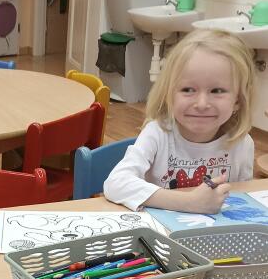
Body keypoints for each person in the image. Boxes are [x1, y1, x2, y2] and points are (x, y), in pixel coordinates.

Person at [103, 29, 255, 212]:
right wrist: (189, 202)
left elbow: (245, 198)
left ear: (238, 100)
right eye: (188, 90)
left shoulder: (242, 143)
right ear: (168, 95)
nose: (201, 104)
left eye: (217, 91)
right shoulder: (157, 134)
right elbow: (115, 183)